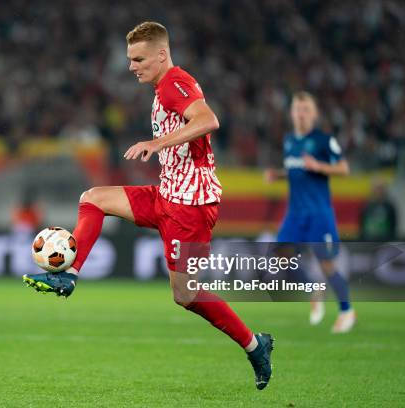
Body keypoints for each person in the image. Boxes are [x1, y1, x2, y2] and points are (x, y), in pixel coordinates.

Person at [23, 21, 274, 390]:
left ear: (161, 54)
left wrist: (158, 144)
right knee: (93, 198)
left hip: (190, 205)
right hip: (167, 193)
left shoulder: (174, 82)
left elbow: (208, 120)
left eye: (138, 58)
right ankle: (68, 275)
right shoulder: (165, 86)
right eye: (129, 59)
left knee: (185, 294)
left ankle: (255, 346)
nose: (131, 66)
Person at [265, 91, 356, 333]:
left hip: (319, 213)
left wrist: (319, 166)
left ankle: (346, 311)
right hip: (295, 213)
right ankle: (314, 289)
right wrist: (279, 174)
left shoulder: (324, 140)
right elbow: (296, 169)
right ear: (292, 113)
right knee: (281, 256)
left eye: (306, 109)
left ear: (314, 114)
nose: (301, 114)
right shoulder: (289, 141)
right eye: (297, 109)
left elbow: (344, 168)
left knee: (326, 263)